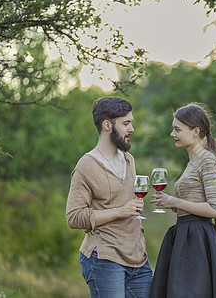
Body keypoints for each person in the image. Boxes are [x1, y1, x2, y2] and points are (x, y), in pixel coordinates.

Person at [149, 102, 216, 297]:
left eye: (177, 129)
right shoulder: (194, 161)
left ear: (195, 131)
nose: (172, 134)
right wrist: (172, 204)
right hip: (186, 236)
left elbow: (215, 210)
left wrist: (176, 202)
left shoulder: (207, 160)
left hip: (197, 239)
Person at [66, 96, 153, 298]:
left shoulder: (129, 159)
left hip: (138, 258)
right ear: (107, 125)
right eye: (126, 123)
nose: (131, 128)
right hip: (104, 257)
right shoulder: (86, 166)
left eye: (131, 122)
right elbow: (74, 217)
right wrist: (119, 212)